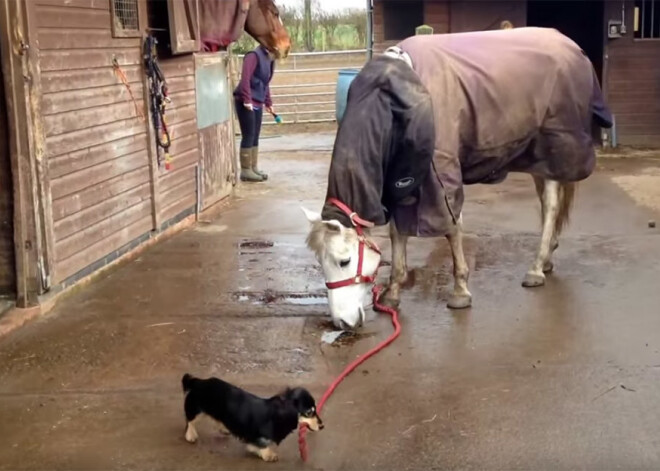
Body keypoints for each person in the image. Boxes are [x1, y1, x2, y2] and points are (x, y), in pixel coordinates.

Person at [234, 45, 276, 183]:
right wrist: (247, 99)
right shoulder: (253, 56)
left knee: (256, 134)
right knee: (248, 134)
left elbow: (265, 82)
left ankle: (253, 167)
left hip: (257, 100)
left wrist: (268, 102)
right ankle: (245, 170)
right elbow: (245, 78)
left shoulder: (269, 57)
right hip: (246, 100)